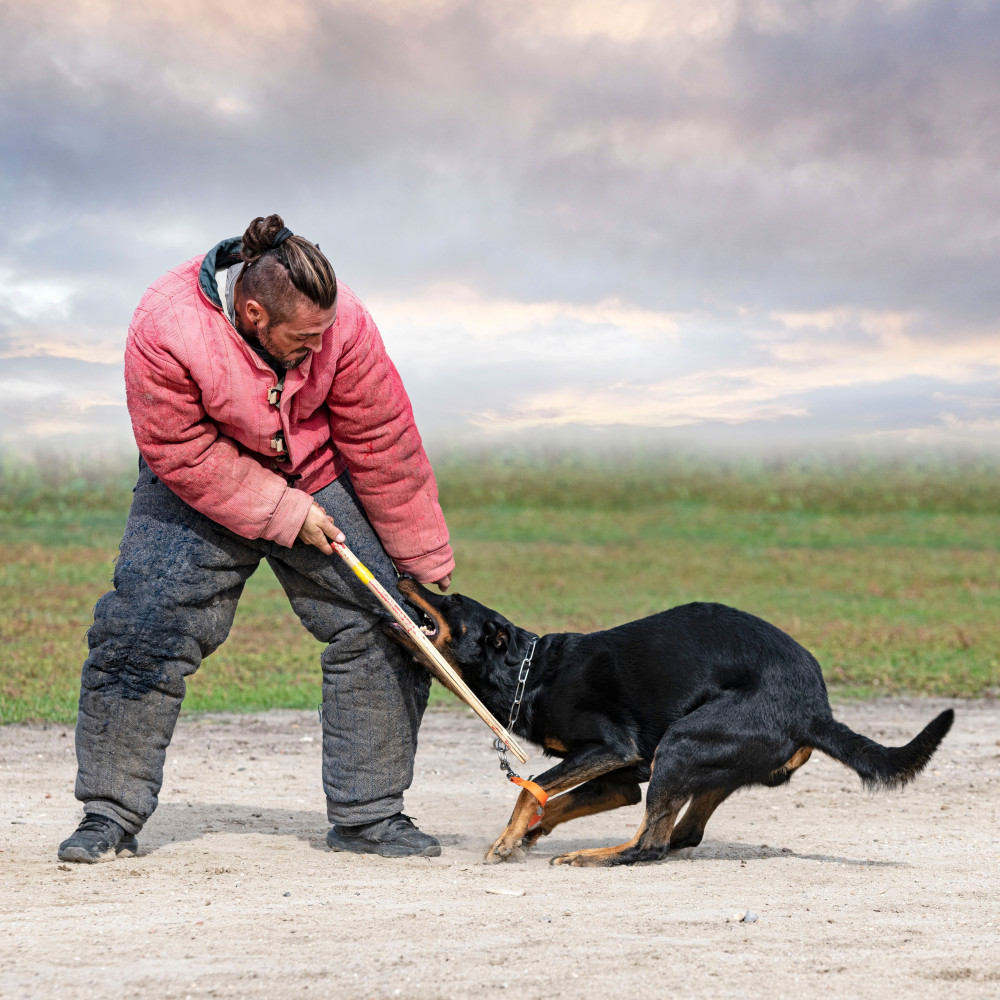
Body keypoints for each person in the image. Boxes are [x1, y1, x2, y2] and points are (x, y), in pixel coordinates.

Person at [58, 214, 454, 862]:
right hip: (195, 479)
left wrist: (421, 558)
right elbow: (177, 448)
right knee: (139, 628)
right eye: (302, 342)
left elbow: (382, 439)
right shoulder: (164, 325)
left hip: (316, 471)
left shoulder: (340, 321)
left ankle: (370, 817)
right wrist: (279, 509)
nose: (316, 349)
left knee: (393, 620)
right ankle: (108, 815)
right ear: (251, 315)